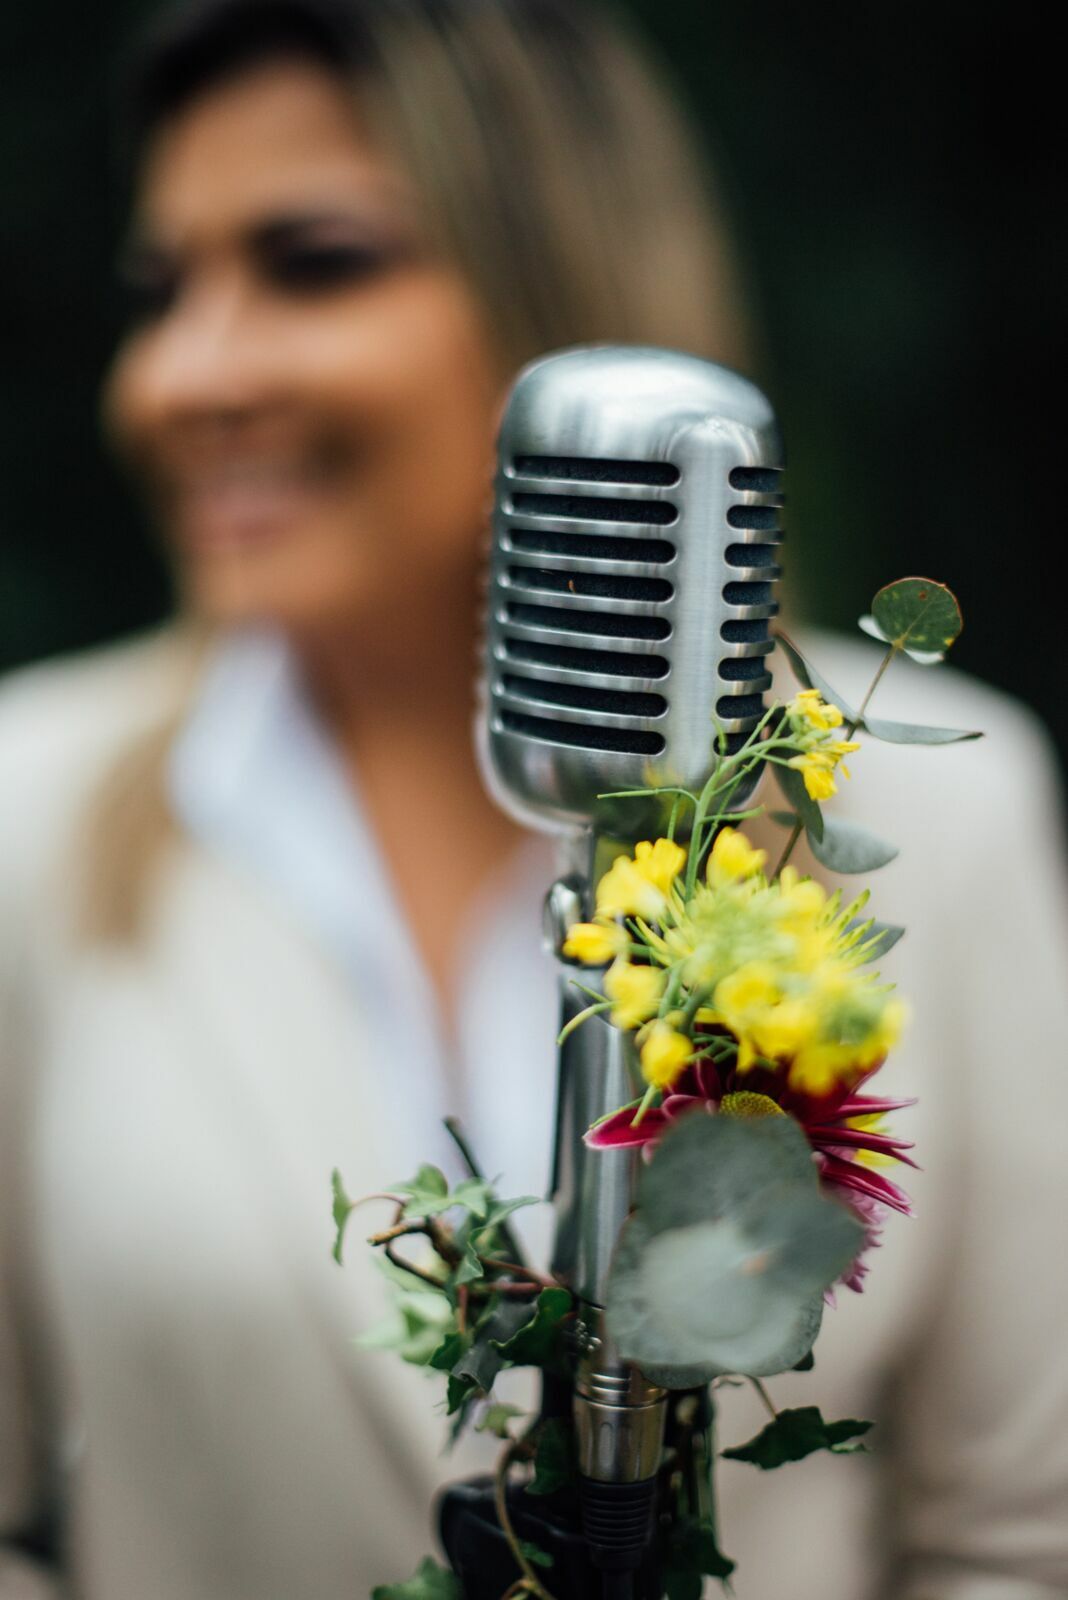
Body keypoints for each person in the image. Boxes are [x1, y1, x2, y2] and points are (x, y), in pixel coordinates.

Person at [1, 1, 1066, 1596]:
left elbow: (1017, 1535)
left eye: (314, 261)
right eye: (162, 290)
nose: (181, 374)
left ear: (560, 297)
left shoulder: (958, 818)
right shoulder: (25, 806)